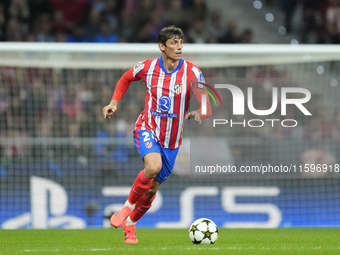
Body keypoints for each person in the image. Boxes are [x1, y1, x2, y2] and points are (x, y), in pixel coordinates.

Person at [102, 25, 212, 243]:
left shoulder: (192, 72)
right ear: (162, 46)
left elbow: (207, 106)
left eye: (181, 42)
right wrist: (113, 102)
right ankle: (126, 208)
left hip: (172, 141)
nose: (179, 47)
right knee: (153, 167)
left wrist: (199, 112)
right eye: (173, 43)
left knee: (151, 191)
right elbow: (125, 79)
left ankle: (131, 224)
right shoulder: (147, 67)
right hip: (147, 128)